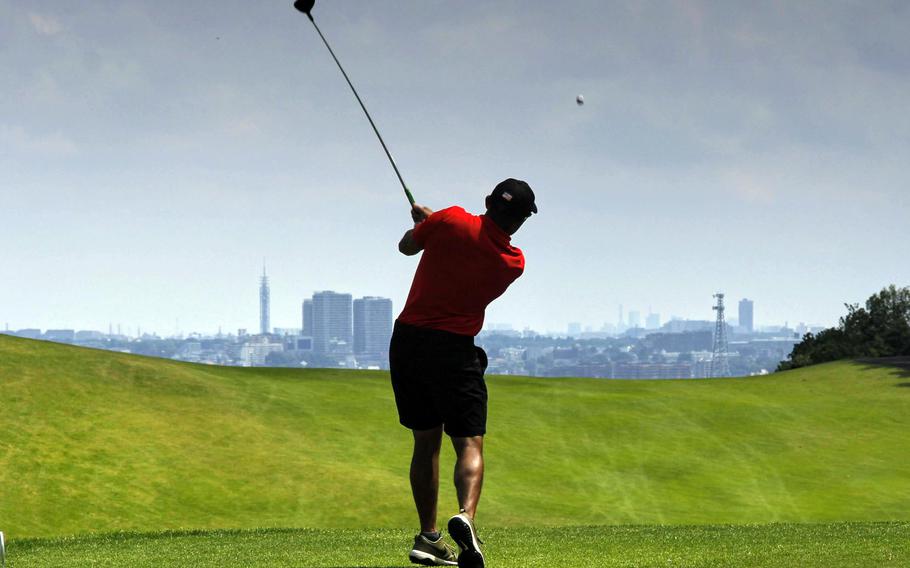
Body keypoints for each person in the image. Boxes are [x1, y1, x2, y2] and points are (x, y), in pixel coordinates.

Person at [390, 178, 537, 567]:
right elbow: (471, 244)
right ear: (522, 221)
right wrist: (433, 224)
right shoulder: (513, 263)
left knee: (426, 442)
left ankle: (429, 536)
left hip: (408, 342)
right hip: (454, 350)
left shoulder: (450, 220)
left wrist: (426, 224)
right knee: (469, 444)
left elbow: (406, 246)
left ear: (488, 201)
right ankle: (465, 516)